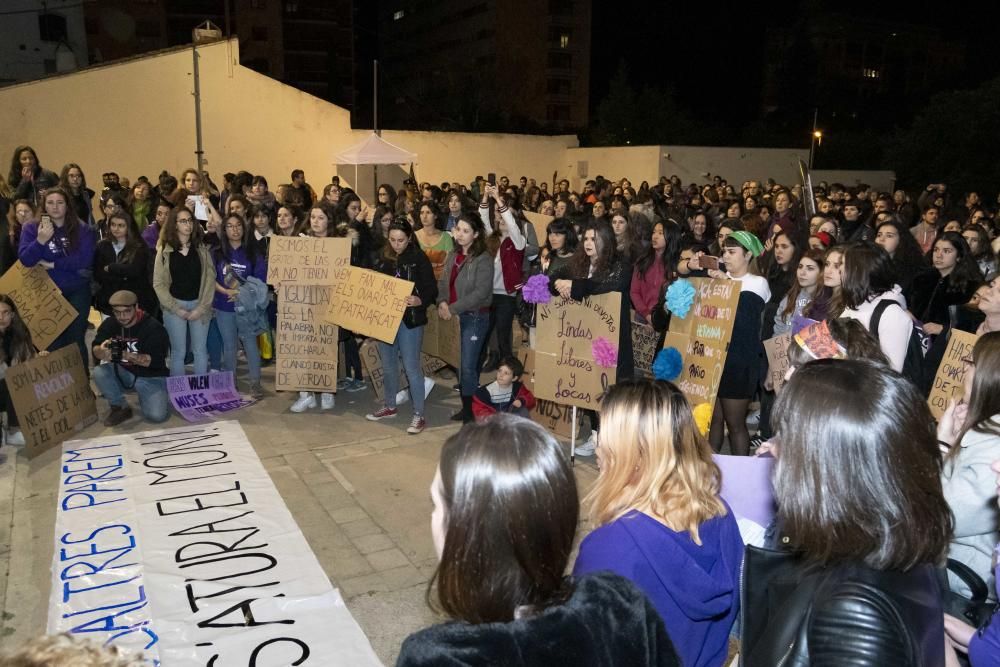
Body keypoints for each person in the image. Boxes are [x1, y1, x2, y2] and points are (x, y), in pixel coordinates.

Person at [397, 416, 681, 667]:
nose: (432, 517)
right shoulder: (618, 604)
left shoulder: (437, 657)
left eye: (436, 505)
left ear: (465, 531)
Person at [741, 359, 952, 665]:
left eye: (788, 436)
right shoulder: (899, 530)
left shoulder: (853, 611)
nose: (774, 448)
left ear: (829, 462)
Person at [573, 380, 742, 667]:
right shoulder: (721, 514)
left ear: (636, 455)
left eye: (605, 432)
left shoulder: (609, 549)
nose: (598, 446)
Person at [552, 221, 634, 454]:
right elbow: (554, 278)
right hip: (584, 334)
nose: (588, 243)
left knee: (611, 391)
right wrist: (558, 282)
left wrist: (574, 285)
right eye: (586, 239)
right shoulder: (578, 264)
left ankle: (614, 440)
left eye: (594, 239)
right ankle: (597, 435)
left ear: (606, 241)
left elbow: (606, 285)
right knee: (588, 385)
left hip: (611, 337)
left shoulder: (620, 264)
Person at [693, 231, 770, 456]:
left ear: (747, 255)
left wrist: (725, 283)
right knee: (714, 420)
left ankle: (741, 475)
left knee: (735, 424)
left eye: (732, 252)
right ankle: (710, 467)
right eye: (724, 251)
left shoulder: (757, 282)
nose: (726, 256)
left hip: (739, 361)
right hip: (713, 357)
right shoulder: (717, 278)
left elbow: (744, 318)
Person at [937, 332, 1000, 599]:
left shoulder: (994, 448)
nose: (964, 367)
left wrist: (942, 445)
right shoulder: (986, 429)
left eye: (970, 362)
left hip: (959, 580)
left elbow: (940, 516)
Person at [365, 219, 437, 435]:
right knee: (388, 366)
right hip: (386, 319)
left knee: (411, 367)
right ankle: (390, 406)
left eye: (401, 240)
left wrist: (419, 299)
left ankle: (419, 414)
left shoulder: (418, 258)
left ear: (409, 238)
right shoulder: (381, 256)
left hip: (410, 321)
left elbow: (431, 288)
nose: (397, 244)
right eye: (393, 240)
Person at [18, 187, 97, 368]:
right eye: (50, 203)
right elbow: (26, 260)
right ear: (44, 206)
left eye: (60, 202)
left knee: (75, 339)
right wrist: (41, 241)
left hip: (77, 290)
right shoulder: (32, 228)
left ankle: (81, 388)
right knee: (52, 342)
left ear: (67, 205)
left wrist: (53, 264)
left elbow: (84, 259)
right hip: (47, 292)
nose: (55, 207)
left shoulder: (81, 228)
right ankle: (59, 391)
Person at [436, 213, 494, 424]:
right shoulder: (453, 254)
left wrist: (452, 308)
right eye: (458, 229)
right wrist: (441, 301)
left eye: (466, 231)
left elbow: (480, 293)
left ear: (476, 234)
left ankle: (470, 413)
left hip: (475, 318)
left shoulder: (484, 259)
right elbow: (443, 282)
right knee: (459, 364)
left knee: (468, 366)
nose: (460, 234)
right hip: (454, 316)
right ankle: (466, 407)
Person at [92, 290, 170, 427]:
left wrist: (125, 355)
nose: (122, 316)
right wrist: (101, 352)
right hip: (124, 371)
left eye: (127, 311)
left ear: (137, 307)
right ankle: (119, 407)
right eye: (117, 312)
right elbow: (95, 348)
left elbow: (155, 362)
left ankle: (145, 394)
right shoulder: (110, 323)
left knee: (156, 416)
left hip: (150, 375)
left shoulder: (153, 327)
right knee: (99, 372)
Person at [152, 207, 215, 377]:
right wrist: (176, 309)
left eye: (190, 220)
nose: (188, 224)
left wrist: (201, 308)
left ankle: (200, 389)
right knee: (178, 352)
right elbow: (158, 284)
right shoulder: (164, 250)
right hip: (174, 305)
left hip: (199, 304)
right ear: (174, 224)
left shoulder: (201, 248)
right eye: (183, 221)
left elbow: (210, 279)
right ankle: (178, 391)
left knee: (200, 351)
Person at [212, 213, 268, 398]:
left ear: (244, 229)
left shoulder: (253, 253)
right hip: (223, 306)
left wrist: (239, 293)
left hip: (246, 308)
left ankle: (255, 383)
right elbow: (210, 279)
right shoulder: (217, 252)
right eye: (230, 226)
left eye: (238, 225)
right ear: (224, 229)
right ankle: (231, 382)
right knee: (229, 346)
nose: (235, 229)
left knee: (250, 344)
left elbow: (259, 282)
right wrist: (226, 291)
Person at [840, 242, 912, 373]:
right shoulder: (855, 304)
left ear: (859, 271)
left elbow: (890, 373)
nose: (840, 270)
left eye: (844, 265)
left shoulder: (891, 314)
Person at [480, 184, 525, 372]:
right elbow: (483, 220)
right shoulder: (492, 238)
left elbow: (512, 224)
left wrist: (498, 199)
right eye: (500, 215)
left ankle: (508, 367)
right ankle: (493, 357)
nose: (502, 218)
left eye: (506, 215)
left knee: (503, 332)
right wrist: (485, 197)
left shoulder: (518, 241)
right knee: (486, 332)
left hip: (506, 295)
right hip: (488, 294)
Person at [93, 210, 155, 318]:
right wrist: (123, 273)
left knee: (133, 334)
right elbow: (98, 273)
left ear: (129, 227)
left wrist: (112, 268)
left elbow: (135, 271)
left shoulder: (139, 246)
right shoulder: (102, 246)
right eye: (113, 225)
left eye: (121, 225)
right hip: (108, 300)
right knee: (111, 333)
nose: (116, 229)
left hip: (134, 301)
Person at [0, 295, 43, 446]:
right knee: (10, 379)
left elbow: (27, 360)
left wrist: (40, 358)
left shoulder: (20, 333)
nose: (1, 317)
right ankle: (10, 429)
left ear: (12, 314)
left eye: (5, 312)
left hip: (12, 387)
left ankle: (14, 428)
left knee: (16, 379)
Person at [471, 355, 535, 420]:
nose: (501, 375)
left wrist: (522, 401)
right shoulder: (484, 393)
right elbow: (479, 410)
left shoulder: (517, 388)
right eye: (499, 371)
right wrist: (492, 419)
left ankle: (524, 428)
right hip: (494, 422)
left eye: (506, 373)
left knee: (523, 411)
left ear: (514, 378)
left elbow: (530, 397)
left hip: (510, 418)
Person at [874, 218, 927, 291]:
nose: (881, 239)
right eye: (879, 235)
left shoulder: (910, 270)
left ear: (901, 240)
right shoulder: (871, 263)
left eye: (889, 236)